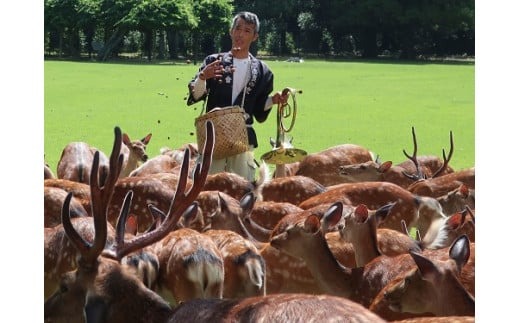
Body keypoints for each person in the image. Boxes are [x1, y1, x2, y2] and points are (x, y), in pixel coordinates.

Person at [187, 11, 288, 182]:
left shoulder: (263, 72)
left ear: (255, 36)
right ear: (231, 31)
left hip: (243, 139)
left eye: (247, 30)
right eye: (238, 28)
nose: (241, 34)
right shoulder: (214, 61)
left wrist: (273, 100)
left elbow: (258, 109)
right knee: (206, 188)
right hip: (213, 138)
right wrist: (203, 76)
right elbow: (196, 95)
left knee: (243, 189)